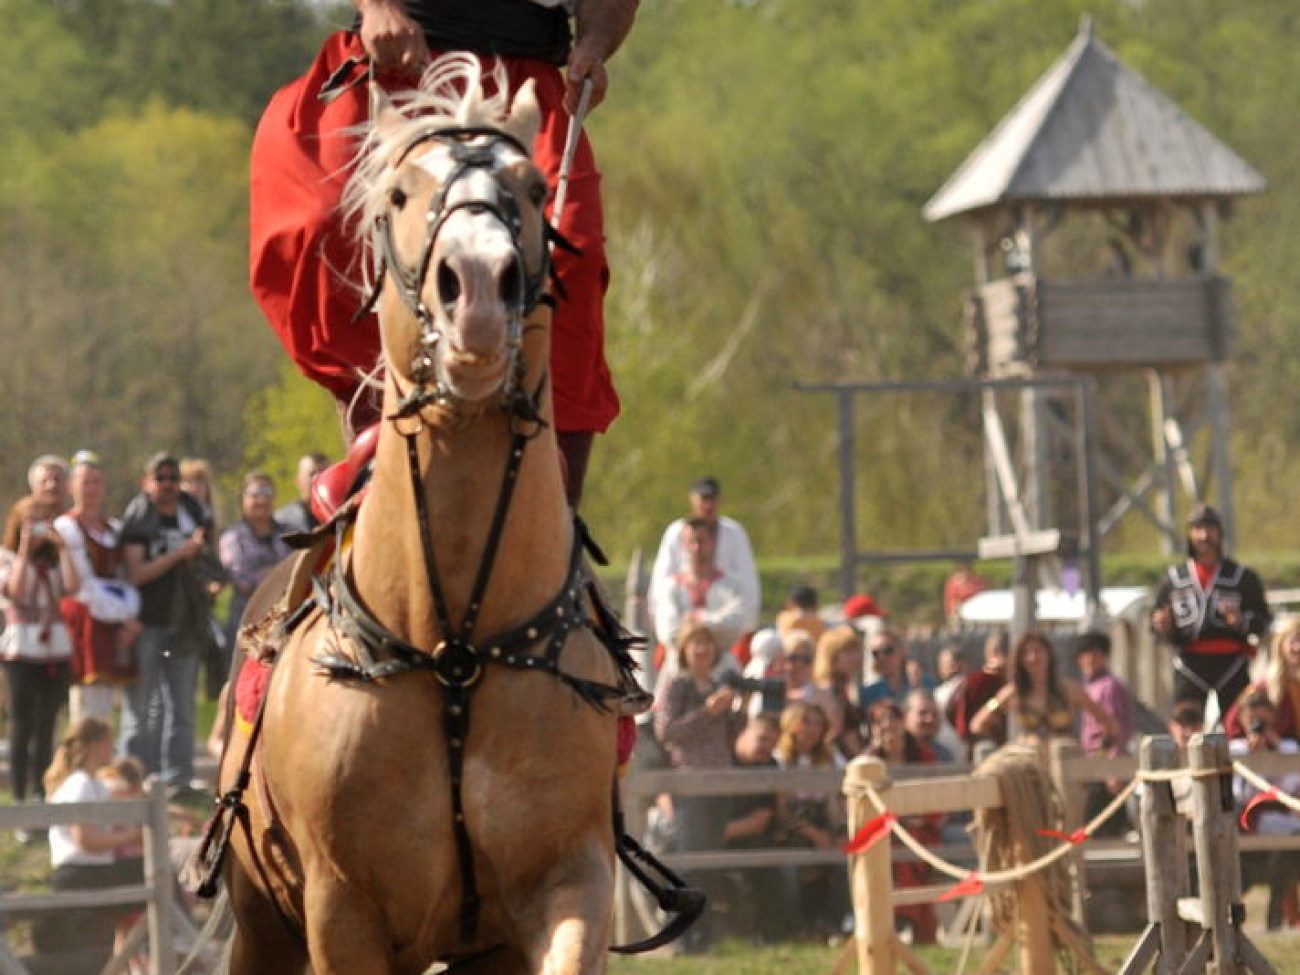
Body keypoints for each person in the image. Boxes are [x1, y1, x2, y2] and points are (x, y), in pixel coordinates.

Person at [249, 0, 639, 508]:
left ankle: (555, 490)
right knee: (325, 221)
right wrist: (377, 8)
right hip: (399, 57)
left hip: (524, 79)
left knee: (569, 254)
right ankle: (372, 448)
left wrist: (594, 43)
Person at [119, 452, 222, 797]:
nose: (167, 485)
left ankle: (178, 778)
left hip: (184, 625)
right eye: (160, 478)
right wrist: (178, 554)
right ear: (145, 482)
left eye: (172, 478)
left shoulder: (192, 513)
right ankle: (135, 779)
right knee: (143, 709)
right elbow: (135, 574)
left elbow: (210, 558)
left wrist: (211, 579)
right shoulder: (138, 520)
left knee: (182, 706)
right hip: (147, 622)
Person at [652, 619, 738, 951]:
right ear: (684, 649)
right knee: (692, 862)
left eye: (707, 643)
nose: (703, 650)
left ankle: (705, 933)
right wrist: (708, 711)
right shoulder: (678, 685)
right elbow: (667, 732)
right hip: (690, 782)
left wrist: (733, 711)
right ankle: (682, 935)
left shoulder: (717, 683)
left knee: (712, 860)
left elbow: (728, 736)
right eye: (696, 643)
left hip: (721, 780)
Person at [30, 718, 143, 969]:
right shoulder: (80, 784)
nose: (112, 750)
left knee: (148, 875)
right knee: (152, 873)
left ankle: (130, 954)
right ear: (95, 746)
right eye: (108, 744)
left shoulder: (92, 783)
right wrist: (130, 837)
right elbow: (86, 841)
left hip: (88, 873)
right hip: (80, 875)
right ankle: (174, 938)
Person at [1, 455, 80, 812]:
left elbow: (73, 587)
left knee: (48, 725)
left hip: (55, 650)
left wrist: (61, 548)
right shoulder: (6, 557)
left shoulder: (53, 561)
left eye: (41, 523)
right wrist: (23, 552)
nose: (36, 528)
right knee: (22, 725)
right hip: (21, 651)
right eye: (30, 522)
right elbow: (15, 592)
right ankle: (18, 797)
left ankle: (40, 791)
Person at [1151, 504, 1271, 722]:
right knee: (1185, 725)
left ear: (1220, 532)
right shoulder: (1173, 579)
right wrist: (1162, 625)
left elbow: (1263, 620)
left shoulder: (1242, 577)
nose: (1204, 535)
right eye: (1197, 528)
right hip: (1189, 663)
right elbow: (1156, 625)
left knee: (1239, 725)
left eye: (1210, 528)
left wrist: (1241, 621)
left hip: (1231, 662)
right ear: (1189, 534)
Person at [54, 450, 141, 724]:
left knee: (105, 697)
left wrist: (127, 616)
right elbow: (81, 584)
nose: (91, 488)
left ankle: (101, 757)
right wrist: (121, 614)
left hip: (109, 616)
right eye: (84, 481)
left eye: (96, 482)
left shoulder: (112, 528)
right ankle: (81, 758)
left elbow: (119, 579)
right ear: (70, 486)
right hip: (84, 616)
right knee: (84, 697)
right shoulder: (66, 526)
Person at [864, 698, 942, 944]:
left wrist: (919, 818)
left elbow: (937, 796)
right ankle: (898, 923)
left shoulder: (923, 755)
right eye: (880, 722)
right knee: (889, 853)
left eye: (893, 719)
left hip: (920, 828)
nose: (888, 726)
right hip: (881, 829)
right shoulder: (868, 761)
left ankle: (916, 925)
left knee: (911, 854)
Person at [971, 631, 1119, 753]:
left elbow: (1110, 725)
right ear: (1019, 660)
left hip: (1065, 763)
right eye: (1026, 653)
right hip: (1028, 764)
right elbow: (978, 723)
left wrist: (1100, 753)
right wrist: (994, 745)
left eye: (1037, 651)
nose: (1033, 658)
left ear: (1048, 654)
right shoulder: (1014, 692)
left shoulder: (1069, 689)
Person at [772, 700, 848, 939]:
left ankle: (830, 924)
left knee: (848, 863)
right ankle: (796, 928)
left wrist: (838, 832)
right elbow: (782, 809)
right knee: (790, 870)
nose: (813, 729)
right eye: (806, 722)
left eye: (818, 723)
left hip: (827, 824)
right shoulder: (780, 760)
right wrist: (814, 835)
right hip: (792, 830)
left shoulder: (832, 758)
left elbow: (842, 796)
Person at [719, 714, 796, 943]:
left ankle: (773, 936)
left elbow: (760, 820)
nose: (767, 747)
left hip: (744, 837)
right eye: (762, 739)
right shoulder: (720, 757)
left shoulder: (769, 764)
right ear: (743, 732)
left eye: (773, 742)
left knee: (769, 863)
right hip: (708, 837)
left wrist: (713, 832)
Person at [650, 475, 760, 633]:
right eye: (703, 498)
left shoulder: (734, 532)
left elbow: (747, 580)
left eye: (712, 498)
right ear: (692, 498)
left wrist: (746, 622)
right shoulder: (676, 531)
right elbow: (661, 577)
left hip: (724, 611)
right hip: (682, 614)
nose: (708, 504)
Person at [647, 516, 748, 685]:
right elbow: (669, 632)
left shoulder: (731, 584)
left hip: (723, 671)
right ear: (683, 545)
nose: (697, 548)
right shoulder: (670, 586)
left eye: (702, 541)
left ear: (713, 542)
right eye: (691, 541)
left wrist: (698, 618)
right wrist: (714, 627)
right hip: (679, 671)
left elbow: (736, 624)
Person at [1229, 692, 1300, 930]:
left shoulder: (1287, 747)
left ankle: (1275, 918)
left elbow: (1290, 789)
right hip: (1249, 824)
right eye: (1254, 721)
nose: (1259, 727)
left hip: (1285, 823)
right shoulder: (1236, 750)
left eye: (1264, 721)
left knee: (1287, 852)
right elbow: (1240, 795)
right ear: (1241, 720)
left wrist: (1275, 750)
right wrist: (1253, 758)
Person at [219, 472, 293, 655]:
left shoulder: (290, 533)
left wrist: (267, 573)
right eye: (255, 493)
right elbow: (244, 581)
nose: (261, 499)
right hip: (247, 627)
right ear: (242, 498)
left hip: (286, 624)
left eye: (267, 493)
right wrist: (281, 574)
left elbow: (302, 570)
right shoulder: (233, 538)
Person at [1075, 630, 1136, 835]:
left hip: (1107, 763)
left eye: (1095, 653)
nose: (1090, 659)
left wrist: (1113, 768)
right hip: (1093, 762)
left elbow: (1117, 728)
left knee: (1099, 824)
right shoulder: (1089, 686)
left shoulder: (1109, 687)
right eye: (1085, 654)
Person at [1225, 617, 1300, 742]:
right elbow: (1232, 725)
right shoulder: (1263, 687)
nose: (1298, 647)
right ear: (1281, 644)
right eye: (1294, 640)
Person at [947, 629, 1009, 760]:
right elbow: (966, 726)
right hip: (983, 754)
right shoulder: (975, 683)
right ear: (993, 653)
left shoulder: (1020, 683)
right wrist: (997, 703)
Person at [811, 624, 866, 757]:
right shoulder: (828, 690)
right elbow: (835, 733)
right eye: (848, 652)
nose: (855, 657)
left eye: (856, 651)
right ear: (832, 656)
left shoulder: (845, 687)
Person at [860, 627, 918, 709]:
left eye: (888, 651)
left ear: (902, 650)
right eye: (876, 653)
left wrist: (916, 687)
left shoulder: (925, 683)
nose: (882, 657)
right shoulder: (869, 694)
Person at [275, 451, 330, 535]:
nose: (317, 478)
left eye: (323, 473)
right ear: (298, 481)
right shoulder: (282, 520)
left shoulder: (342, 512)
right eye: (312, 474)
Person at [902, 688, 954, 763]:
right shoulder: (895, 754)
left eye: (934, 715)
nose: (930, 719)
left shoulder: (944, 756)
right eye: (923, 713)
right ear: (904, 717)